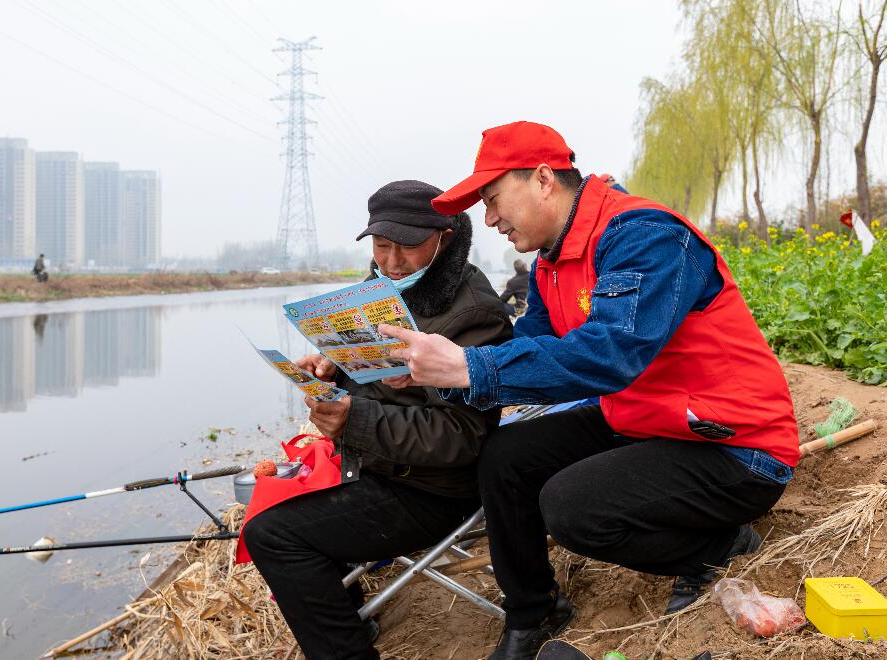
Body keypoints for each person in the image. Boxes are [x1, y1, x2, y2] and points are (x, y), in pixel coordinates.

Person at [377, 122, 799, 659]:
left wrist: (468, 365)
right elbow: (529, 352)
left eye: (493, 199)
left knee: (572, 507)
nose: (489, 219)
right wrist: (437, 373)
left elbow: (611, 354)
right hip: (644, 420)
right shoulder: (550, 262)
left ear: (543, 179)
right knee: (504, 456)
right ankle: (533, 609)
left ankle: (716, 545)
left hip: (733, 445)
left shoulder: (643, 234)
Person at [243, 179, 512, 660]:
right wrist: (334, 369)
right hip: (376, 463)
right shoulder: (377, 294)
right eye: (381, 246)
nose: (391, 262)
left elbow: (461, 437)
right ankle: (347, 617)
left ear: (444, 238)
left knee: (273, 535)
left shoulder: (474, 314)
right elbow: (378, 378)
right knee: (270, 498)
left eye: (406, 246)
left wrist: (353, 421)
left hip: (432, 489)